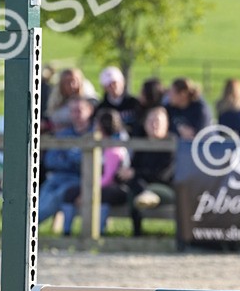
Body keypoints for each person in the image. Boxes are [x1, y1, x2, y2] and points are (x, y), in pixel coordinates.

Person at [58, 107, 129, 235]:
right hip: (98, 185)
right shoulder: (99, 146)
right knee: (70, 193)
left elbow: (108, 178)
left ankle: (97, 232)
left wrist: (88, 191)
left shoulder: (114, 150)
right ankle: (66, 232)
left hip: (113, 187)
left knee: (104, 196)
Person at [117, 105, 176, 236]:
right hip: (141, 185)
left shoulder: (171, 143)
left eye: (158, 121)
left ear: (166, 124)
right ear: (145, 124)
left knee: (138, 188)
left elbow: (163, 175)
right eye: (151, 121)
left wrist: (135, 173)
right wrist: (127, 173)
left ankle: (138, 233)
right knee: (134, 189)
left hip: (166, 188)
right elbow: (134, 167)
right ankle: (137, 234)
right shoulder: (141, 143)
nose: (154, 125)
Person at [37, 96, 94, 229]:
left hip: (79, 179)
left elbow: (88, 165)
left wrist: (67, 158)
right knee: (40, 197)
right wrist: (72, 159)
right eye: (73, 111)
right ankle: (24, 225)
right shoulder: (64, 134)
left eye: (79, 110)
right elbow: (50, 160)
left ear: (90, 110)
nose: (76, 114)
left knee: (55, 197)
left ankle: (25, 226)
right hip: (57, 177)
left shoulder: (95, 134)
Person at [95, 66, 143, 136]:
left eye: (115, 83)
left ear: (122, 82)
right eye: (109, 85)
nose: (113, 87)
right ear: (104, 88)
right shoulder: (102, 108)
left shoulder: (134, 103)